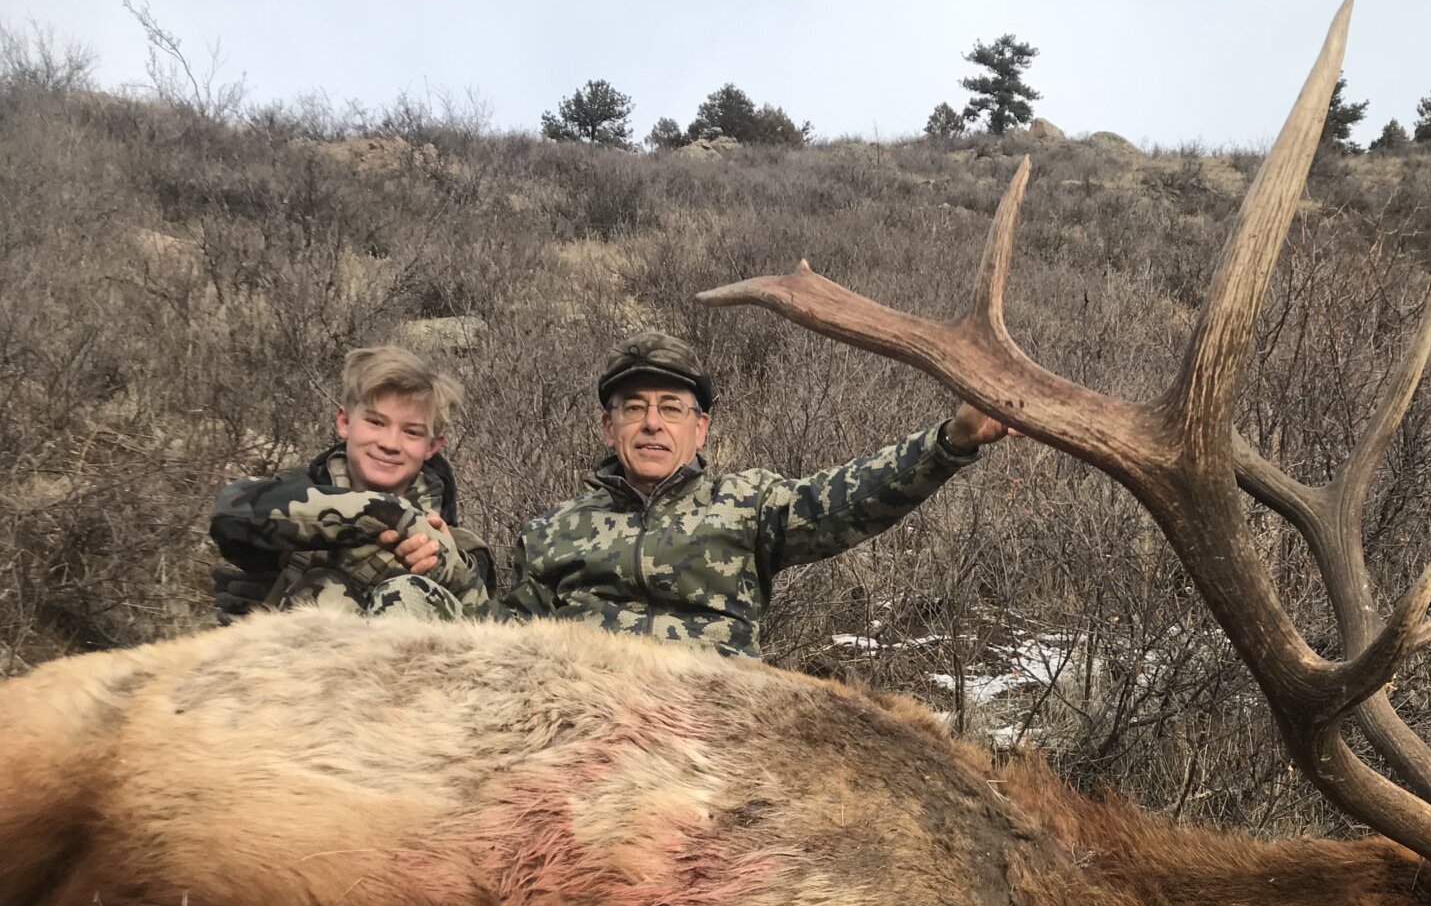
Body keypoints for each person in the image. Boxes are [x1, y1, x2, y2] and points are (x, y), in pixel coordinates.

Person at [497, 330, 1007, 655]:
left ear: (700, 429)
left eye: (671, 408)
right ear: (609, 429)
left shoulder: (745, 503)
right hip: (587, 721)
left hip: (715, 729)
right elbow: (507, 644)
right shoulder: (551, 531)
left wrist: (948, 443)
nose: (652, 423)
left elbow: (846, 501)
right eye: (634, 407)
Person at [210, 345, 494, 625]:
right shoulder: (293, 492)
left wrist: (449, 570)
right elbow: (229, 512)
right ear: (345, 422)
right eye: (375, 422)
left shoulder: (456, 545)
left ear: (432, 445)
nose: (389, 444)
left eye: (411, 432)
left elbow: (487, 637)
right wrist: (377, 513)